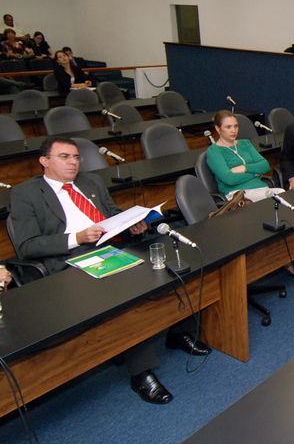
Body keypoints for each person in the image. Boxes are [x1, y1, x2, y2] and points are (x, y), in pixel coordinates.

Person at [10, 137, 211, 404]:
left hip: (112, 246)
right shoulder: (26, 193)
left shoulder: (90, 182)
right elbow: (26, 246)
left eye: (76, 157)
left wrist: (133, 226)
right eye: (64, 157)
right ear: (44, 161)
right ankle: (142, 373)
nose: (73, 162)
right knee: (124, 294)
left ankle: (178, 331)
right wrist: (76, 238)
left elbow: (114, 215)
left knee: (174, 264)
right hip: (71, 257)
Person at [205, 110, 284, 202]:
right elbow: (230, 179)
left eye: (236, 126)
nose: (233, 130)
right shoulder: (214, 151)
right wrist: (254, 174)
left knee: (282, 196)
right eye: (228, 127)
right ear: (218, 129)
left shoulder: (245, 143)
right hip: (237, 194)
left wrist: (244, 168)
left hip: (260, 188)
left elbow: (265, 165)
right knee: (280, 194)